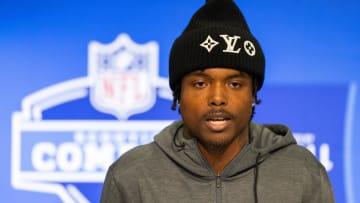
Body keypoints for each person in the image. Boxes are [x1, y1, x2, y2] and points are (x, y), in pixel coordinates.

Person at [100, 0, 335, 202]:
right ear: (178, 94)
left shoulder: (303, 172)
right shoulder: (131, 175)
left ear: (253, 93)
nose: (217, 99)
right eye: (200, 83)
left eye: (235, 84)